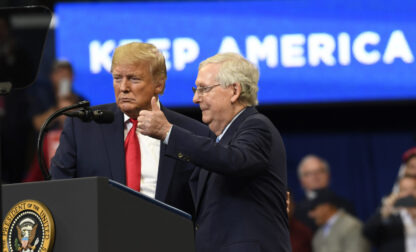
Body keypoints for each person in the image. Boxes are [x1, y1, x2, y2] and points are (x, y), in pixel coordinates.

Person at [137, 53, 291, 252]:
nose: (195, 98)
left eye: (203, 89)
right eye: (196, 89)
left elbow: (233, 160)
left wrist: (168, 132)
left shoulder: (256, 126)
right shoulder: (219, 142)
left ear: (234, 90)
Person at [50, 42, 211, 216]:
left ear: (159, 85)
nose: (123, 88)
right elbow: (60, 192)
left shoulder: (193, 133)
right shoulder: (82, 127)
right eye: (117, 78)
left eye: (134, 79)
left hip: (167, 238)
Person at [295, 154, 356, 231]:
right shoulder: (296, 211)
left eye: (320, 171)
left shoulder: (345, 205)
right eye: (309, 173)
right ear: (301, 181)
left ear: (328, 176)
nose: (315, 176)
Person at [363, 175, 416, 252]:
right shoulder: (389, 212)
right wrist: (385, 211)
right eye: (404, 190)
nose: (408, 194)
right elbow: (367, 232)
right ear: (398, 192)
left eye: (413, 189)